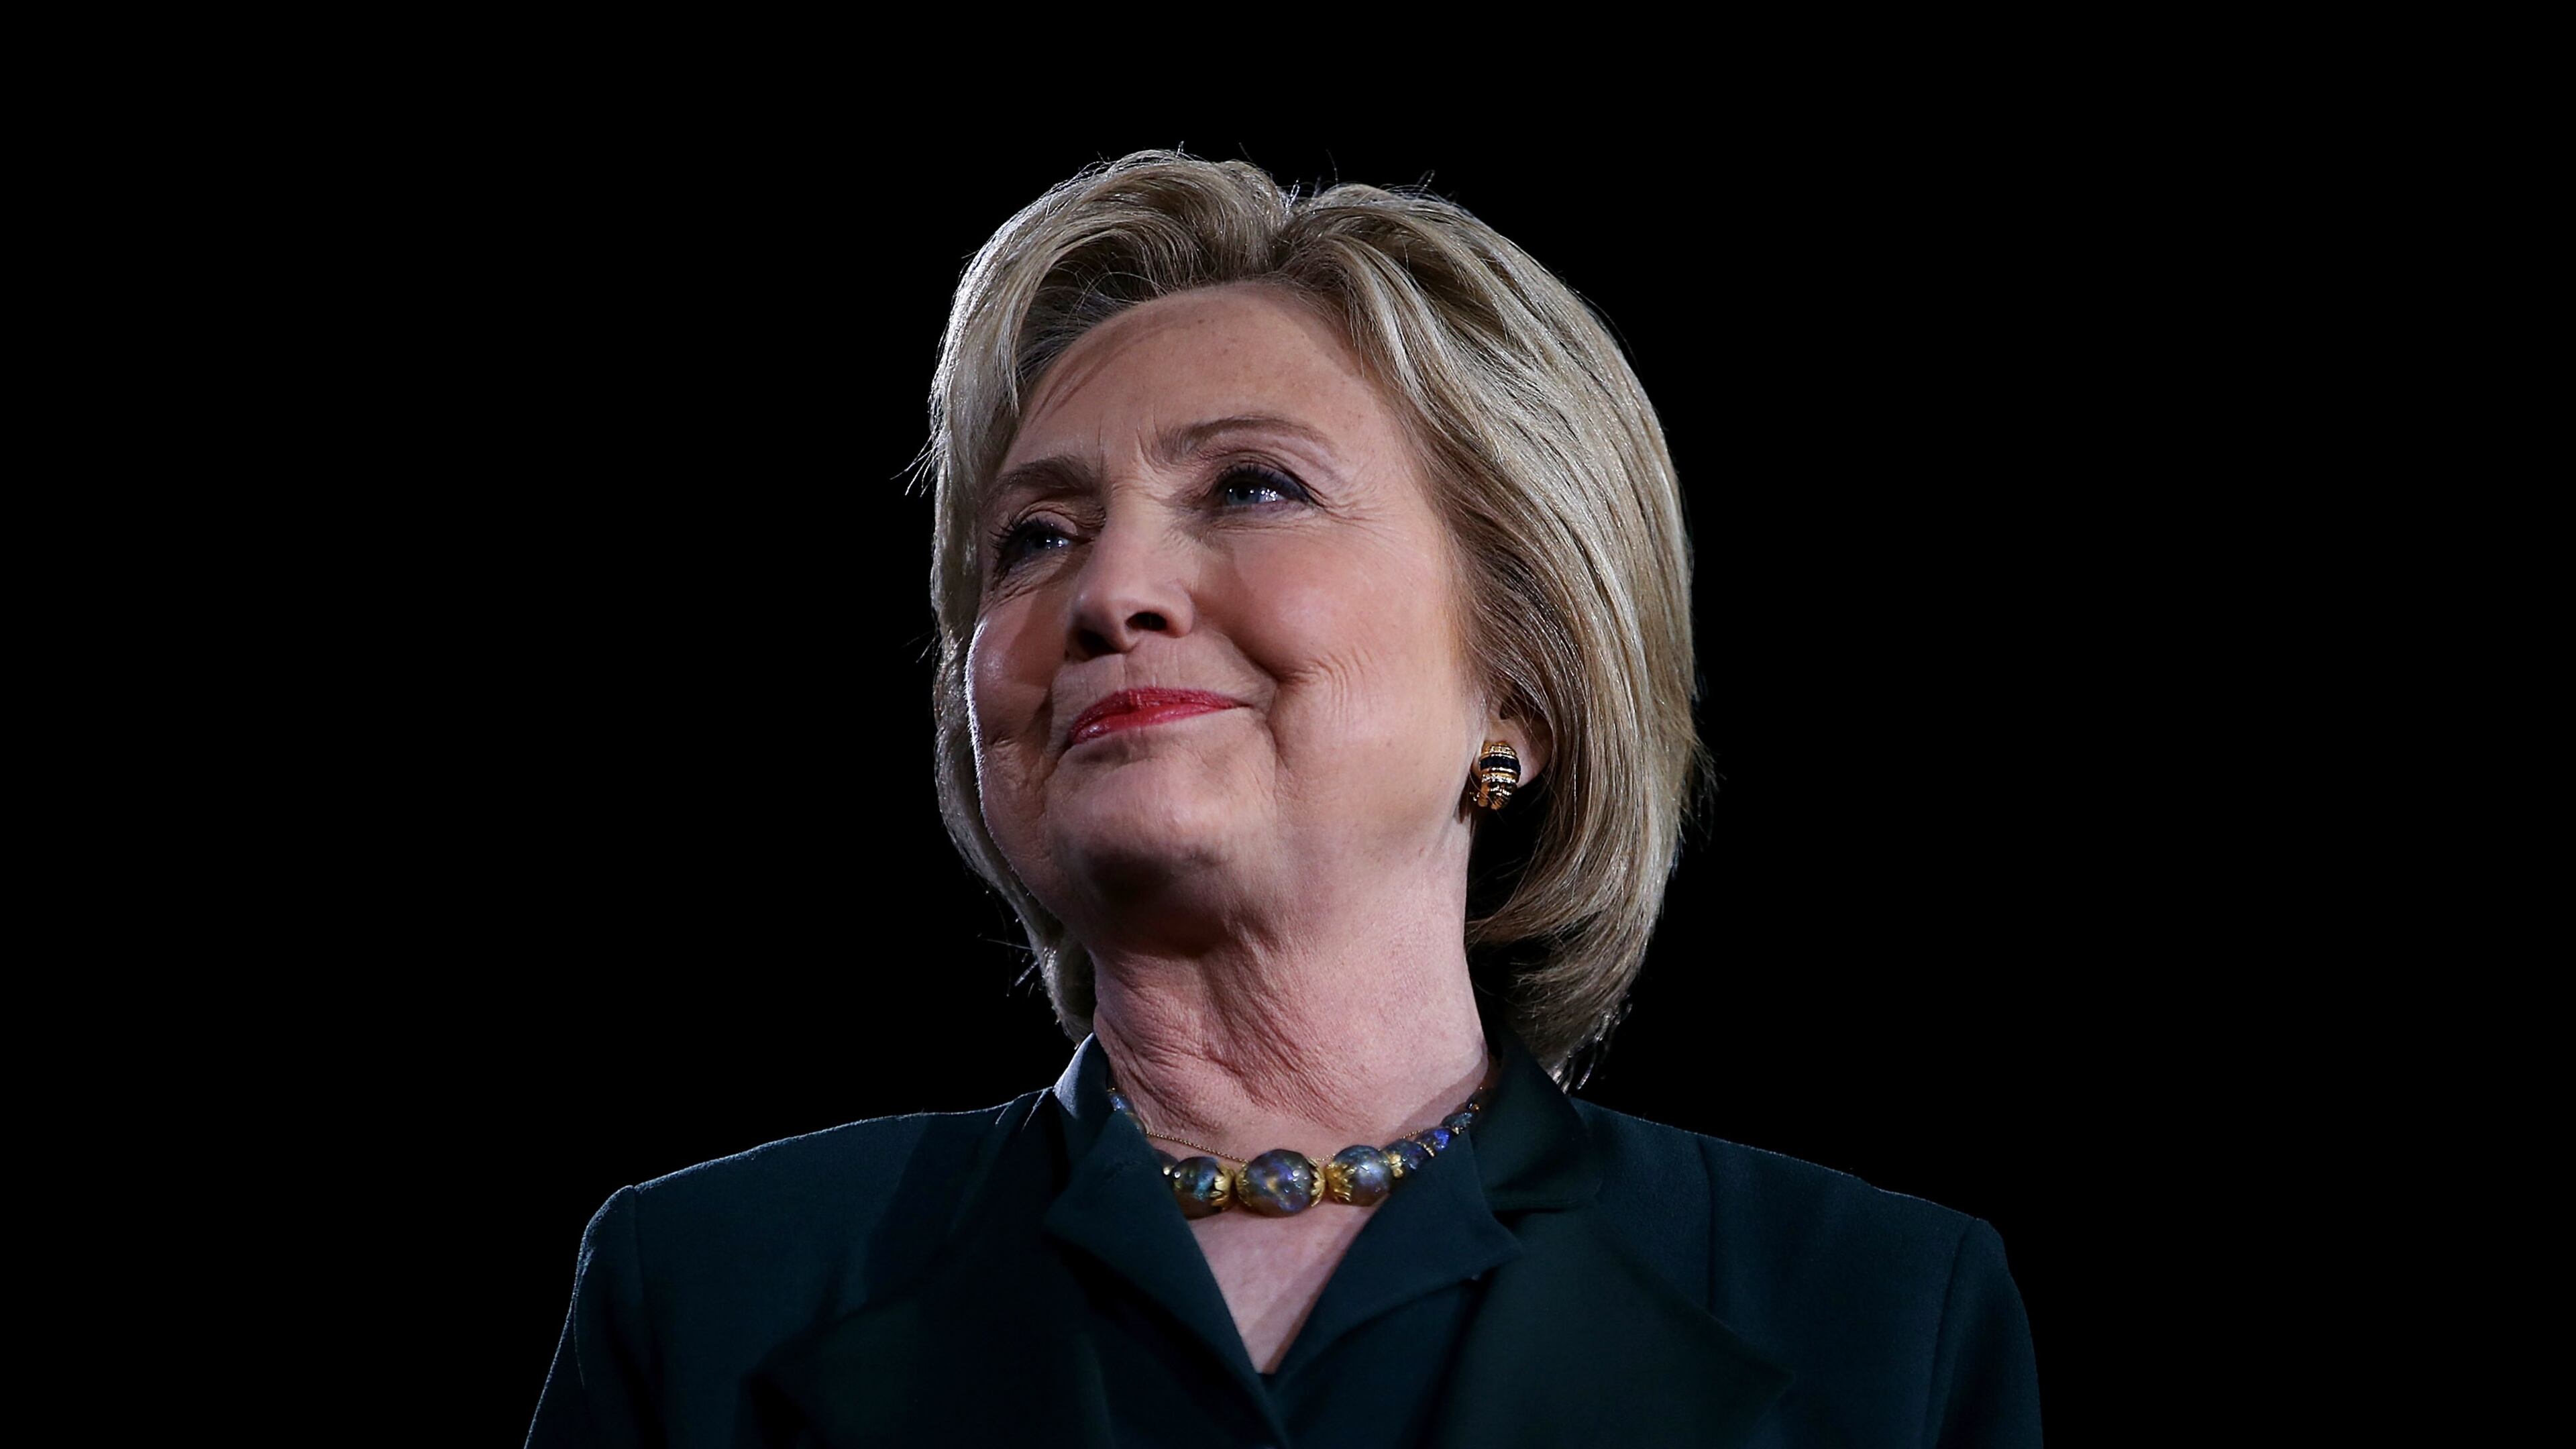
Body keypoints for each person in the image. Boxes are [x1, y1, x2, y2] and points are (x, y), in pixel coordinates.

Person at [527, 149, 2042, 1449]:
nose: (1112, 590)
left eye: (1251, 487)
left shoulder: (1886, 1322)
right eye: (1036, 537)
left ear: (1520, 680)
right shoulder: (706, 1292)